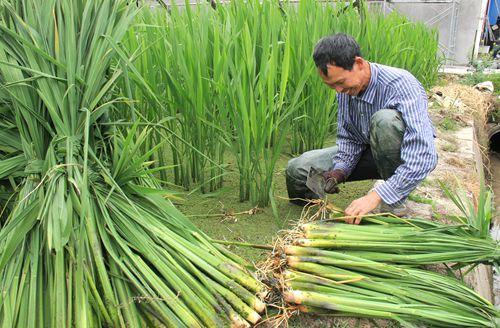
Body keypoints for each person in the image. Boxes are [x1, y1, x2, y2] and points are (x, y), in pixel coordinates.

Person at [285, 33, 438, 224]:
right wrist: (340, 171)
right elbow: (350, 137)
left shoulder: (401, 84)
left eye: (340, 82)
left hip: (400, 155)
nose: (338, 90)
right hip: (369, 154)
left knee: (384, 120)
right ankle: (312, 215)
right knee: (297, 169)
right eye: (331, 86)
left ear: (358, 63)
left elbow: (425, 156)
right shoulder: (345, 89)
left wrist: (374, 196)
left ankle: (394, 201)